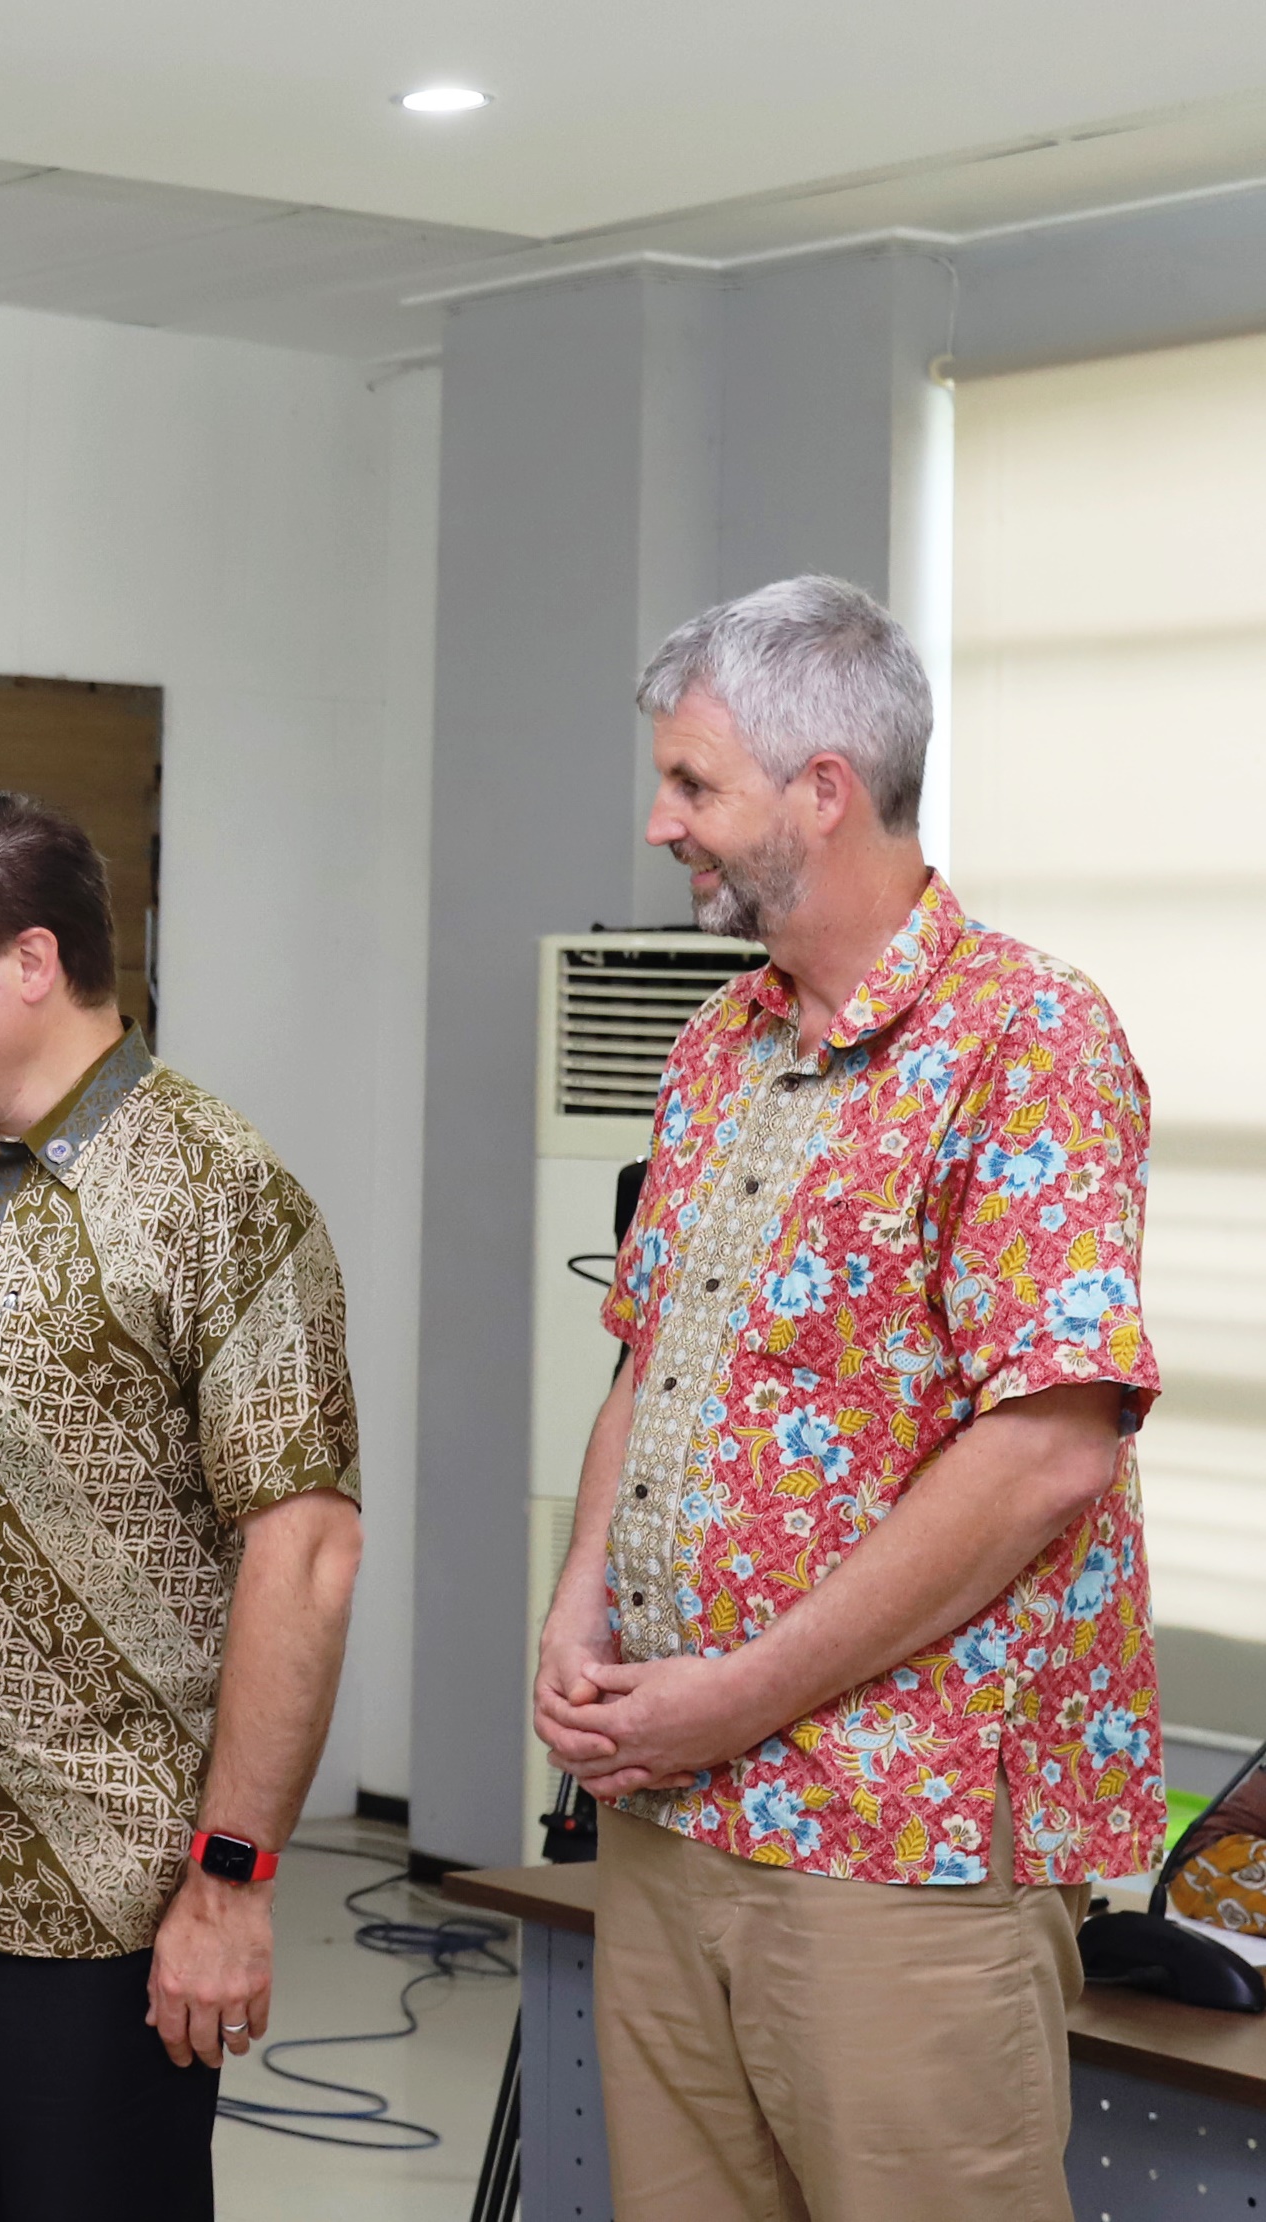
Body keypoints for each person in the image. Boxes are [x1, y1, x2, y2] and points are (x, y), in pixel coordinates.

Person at [537, 576, 1161, 2222]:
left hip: (895, 1844)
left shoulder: (1023, 1040)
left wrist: (734, 1693)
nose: (660, 822)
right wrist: (580, 1602)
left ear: (818, 789)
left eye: (690, 783)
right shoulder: (713, 1047)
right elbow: (647, 1357)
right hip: (670, 1814)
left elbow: (1045, 1451)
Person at [0, 790, 364, 2220]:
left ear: (30, 961)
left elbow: (306, 1552)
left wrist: (229, 1883)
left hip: (104, 1913)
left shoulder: (220, 1194)